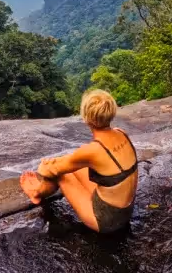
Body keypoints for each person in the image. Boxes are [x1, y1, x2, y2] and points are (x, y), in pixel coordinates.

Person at [19, 89, 138, 233]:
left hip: (106, 221)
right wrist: (58, 163)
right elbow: (75, 161)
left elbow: (49, 170)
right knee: (75, 166)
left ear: (86, 118)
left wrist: (45, 165)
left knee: (62, 174)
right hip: (125, 212)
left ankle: (36, 193)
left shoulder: (92, 151)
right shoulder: (121, 133)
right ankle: (42, 188)